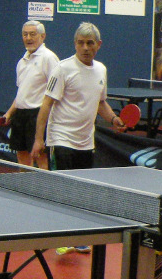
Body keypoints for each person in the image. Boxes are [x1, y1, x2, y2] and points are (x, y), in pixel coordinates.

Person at [32, 22, 126, 173]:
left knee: (82, 186)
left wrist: (113, 119)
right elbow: (46, 104)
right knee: (62, 185)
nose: (85, 48)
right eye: (81, 43)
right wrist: (38, 139)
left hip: (86, 143)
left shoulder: (101, 70)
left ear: (99, 44)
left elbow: (100, 102)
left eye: (90, 43)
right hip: (61, 140)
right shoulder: (62, 68)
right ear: (75, 44)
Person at [0, 20, 59, 167]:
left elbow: (56, 90)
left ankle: (43, 183)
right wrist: (9, 113)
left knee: (41, 155)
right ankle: (24, 182)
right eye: (25, 34)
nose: (28, 38)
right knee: (21, 155)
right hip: (20, 114)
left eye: (32, 34)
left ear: (42, 36)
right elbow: (21, 92)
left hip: (38, 114)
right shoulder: (22, 61)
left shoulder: (49, 58)